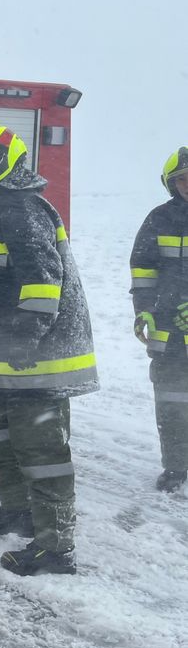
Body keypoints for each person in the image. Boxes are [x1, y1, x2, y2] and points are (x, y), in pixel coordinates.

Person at [0, 125, 98, 576]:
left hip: (38, 356)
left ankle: (56, 548)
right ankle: (18, 511)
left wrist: (26, 335)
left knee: (42, 451)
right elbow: (8, 287)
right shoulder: (0, 211)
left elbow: (43, 281)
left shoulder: (21, 211)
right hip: (8, 346)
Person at [130, 146, 188, 493]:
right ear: (171, 183)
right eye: (184, 180)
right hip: (168, 332)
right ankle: (177, 466)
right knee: (171, 402)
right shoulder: (158, 219)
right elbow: (142, 271)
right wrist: (143, 309)